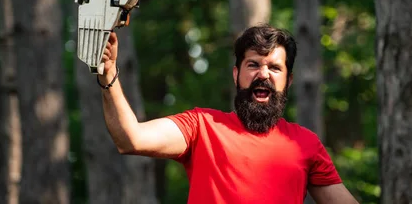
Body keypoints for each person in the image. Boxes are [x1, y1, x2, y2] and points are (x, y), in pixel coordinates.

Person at [98, 24, 358, 204]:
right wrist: (109, 73)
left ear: (288, 80)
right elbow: (130, 138)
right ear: (237, 75)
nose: (263, 75)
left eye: (274, 68)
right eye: (253, 64)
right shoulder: (201, 126)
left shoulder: (306, 144)